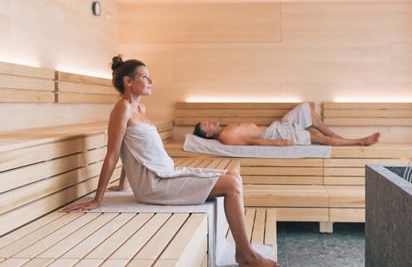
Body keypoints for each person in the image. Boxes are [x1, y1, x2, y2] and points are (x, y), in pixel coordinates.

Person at [63, 56, 279, 267]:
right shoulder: (122, 109)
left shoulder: (141, 110)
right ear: (128, 81)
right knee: (231, 185)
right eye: (145, 77)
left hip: (167, 173)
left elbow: (133, 150)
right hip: (155, 184)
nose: (150, 81)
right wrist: (97, 199)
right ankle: (246, 255)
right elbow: (113, 153)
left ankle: (243, 252)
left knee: (233, 176)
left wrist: (122, 185)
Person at [193, 102, 380, 147]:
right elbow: (251, 141)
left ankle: (338, 137)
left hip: (275, 127)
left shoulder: (226, 128)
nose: (209, 122)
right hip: (273, 135)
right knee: (316, 138)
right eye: (206, 126)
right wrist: (277, 143)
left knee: (306, 108)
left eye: (207, 121)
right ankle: (358, 141)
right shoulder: (226, 136)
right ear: (208, 135)